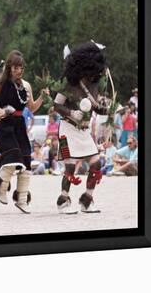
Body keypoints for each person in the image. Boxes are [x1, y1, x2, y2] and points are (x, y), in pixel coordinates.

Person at [0, 50, 49, 213]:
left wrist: (42, 97)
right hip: (4, 124)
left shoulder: (26, 86)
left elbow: (31, 107)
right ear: (10, 67)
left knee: (25, 164)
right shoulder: (1, 83)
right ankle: (1, 187)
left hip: (19, 124)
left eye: (21, 68)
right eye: (16, 67)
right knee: (13, 159)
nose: (19, 70)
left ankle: (22, 199)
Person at [53, 41, 111, 214]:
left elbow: (95, 108)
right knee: (70, 166)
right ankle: (63, 201)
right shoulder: (68, 84)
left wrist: (104, 109)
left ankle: (87, 200)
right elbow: (56, 106)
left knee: (96, 163)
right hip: (67, 128)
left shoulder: (94, 85)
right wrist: (71, 112)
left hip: (84, 131)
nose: (95, 74)